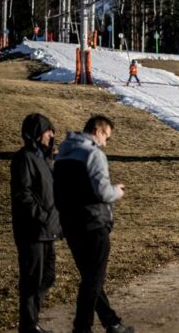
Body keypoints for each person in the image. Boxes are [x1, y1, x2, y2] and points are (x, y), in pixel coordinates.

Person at [53, 116, 134, 333]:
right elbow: (102, 192)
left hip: (70, 224)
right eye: (106, 137)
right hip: (93, 223)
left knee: (90, 277)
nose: (105, 143)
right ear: (98, 130)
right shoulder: (94, 154)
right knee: (93, 280)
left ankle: (111, 322)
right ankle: (82, 327)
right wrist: (117, 192)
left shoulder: (63, 154)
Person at [10, 113, 61, 333]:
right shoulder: (24, 158)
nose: (51, 135)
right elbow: (23, 195)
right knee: (32, 280)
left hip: (48, 229)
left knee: (47, 276)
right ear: (36, 133)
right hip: (32, 230)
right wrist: (41, 216)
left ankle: (31, 321)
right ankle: (29, 326)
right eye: (48, 131)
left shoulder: (44, 159)